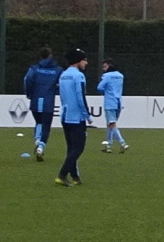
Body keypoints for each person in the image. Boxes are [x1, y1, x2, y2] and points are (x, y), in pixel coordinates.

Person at [54, 49, 91, 188]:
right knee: (78, 148)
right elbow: (81, 97)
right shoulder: (79, 76)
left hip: (65, 115)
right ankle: (62, 175)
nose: (86, 63)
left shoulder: (63, 75)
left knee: (71, 148)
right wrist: (87, 115)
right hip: (76, 117)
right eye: (84, 60)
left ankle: (75, 177)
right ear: (78, 61)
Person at [22, 47, 62, 163]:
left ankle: (37, 140)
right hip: (48, 102)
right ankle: (40, 147)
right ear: (50, 55)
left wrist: (29, 93)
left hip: (35, 100)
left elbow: (27, 80)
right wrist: (56, 91)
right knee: (46, 126)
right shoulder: (58, 70)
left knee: (38, 122)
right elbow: (62, 83)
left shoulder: (34, 68)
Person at [97, 60, 128, 153]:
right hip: (118, 102)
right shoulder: (120, 76)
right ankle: (108, 145)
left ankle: (123, 143)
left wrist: (105, 91)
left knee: (112, 124)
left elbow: (99, 87)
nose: (103, 69)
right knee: (110, 124)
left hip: (110, 102)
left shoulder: (106, 76)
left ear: (109, 66)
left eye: (105, 67)